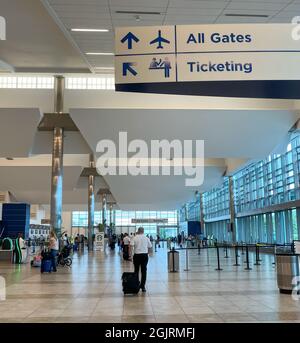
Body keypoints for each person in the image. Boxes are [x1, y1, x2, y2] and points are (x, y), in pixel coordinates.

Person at [130, 227, 152, 292]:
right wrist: (148, 254)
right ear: (143, 231)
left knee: (136, 270)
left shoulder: (134, 237)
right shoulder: (146, 238)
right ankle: (143, 286)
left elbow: (131, 246)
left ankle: (136, 284)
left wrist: (130, 256)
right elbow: (150, 247)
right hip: (144, 256)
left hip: (136, 255)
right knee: (144, 271)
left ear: (138, 231)